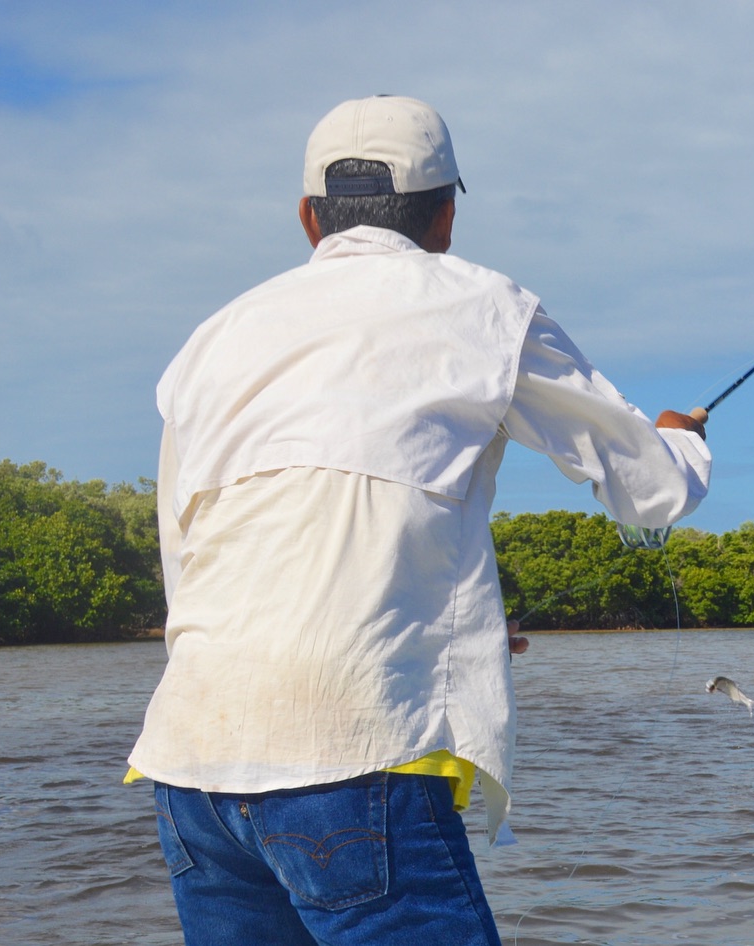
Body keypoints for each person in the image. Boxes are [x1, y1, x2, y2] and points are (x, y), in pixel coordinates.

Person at [127, 95, 711, 945]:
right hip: (352, 755)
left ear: (307, 219)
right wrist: (678, 443)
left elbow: (192, 562)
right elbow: (650, 492)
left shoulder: (210, 341)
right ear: (444, 217)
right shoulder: (488, 308)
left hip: (191, 770)